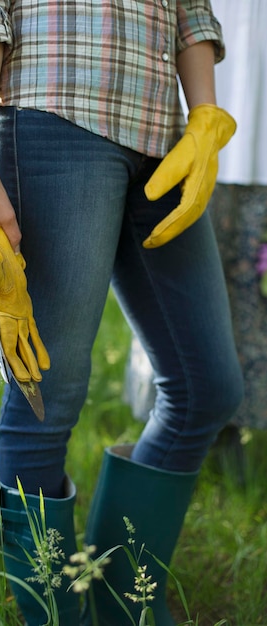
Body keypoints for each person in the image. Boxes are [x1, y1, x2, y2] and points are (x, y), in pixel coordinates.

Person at [0, 2, 244, 625]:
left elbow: (191, 10)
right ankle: (53, 616)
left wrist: (206, 113)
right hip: (56, 115)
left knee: (205, 388)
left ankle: (120, 605)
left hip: (166, 140)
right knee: (45, 395)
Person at [125, 0, 267, 471]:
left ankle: (237, 435)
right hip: (177, 129)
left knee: (247, 303)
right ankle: (180, 438)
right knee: (181, 309)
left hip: (241, 142)